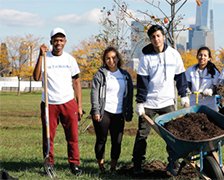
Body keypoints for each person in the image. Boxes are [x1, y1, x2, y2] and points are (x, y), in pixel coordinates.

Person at [132, 25, 189, 174]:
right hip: (149, 103)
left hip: (168, 102)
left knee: (173, 136)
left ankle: (174, 163)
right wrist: (140, 103)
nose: (156, 39)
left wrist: (183, 95)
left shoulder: (174, 54)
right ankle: (137, 164)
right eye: (153, 37)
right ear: (150, 40)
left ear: (164, 37)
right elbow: (142, 83)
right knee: (142, 135)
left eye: (158, 36)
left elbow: (180, 77)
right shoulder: (145, 59)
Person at [33, 27, 83, 176]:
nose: (58, 42)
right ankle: (49, 164)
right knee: (49, 136)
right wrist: (40, 55)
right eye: (56, 40)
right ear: (51, 42)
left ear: (65, 42)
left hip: (68, 102)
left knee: (73, 136)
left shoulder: (70, 59)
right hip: (49, 103)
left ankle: (74, 165)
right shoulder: (45, 57)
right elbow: (36, 77)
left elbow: (76, 82)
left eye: (61, 40)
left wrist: (79, 105)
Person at [90, 47, 133, 175]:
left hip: (119, 113)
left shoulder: (125, 75)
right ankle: (101, 167)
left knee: (117, 141)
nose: (111, 60)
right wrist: (96, 110)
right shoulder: (100, 74)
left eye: (113, 57)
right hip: (104, 112)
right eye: (108, 58)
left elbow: (129, 95)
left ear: (118, 58)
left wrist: (129, 111)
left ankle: (113, 168)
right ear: (105, 60)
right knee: (101, 140)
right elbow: (94, 94)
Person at [185, 46, 220, 110]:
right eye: (200, 55)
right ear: (197, 56)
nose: (202, 57)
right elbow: (187, 84)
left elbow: (218, 88)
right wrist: (187, 89)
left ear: (209, 58)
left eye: (205, 55)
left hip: (209, 106)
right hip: (194, 105)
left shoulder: (214, 71)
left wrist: (211, 91)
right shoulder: (190, 70)